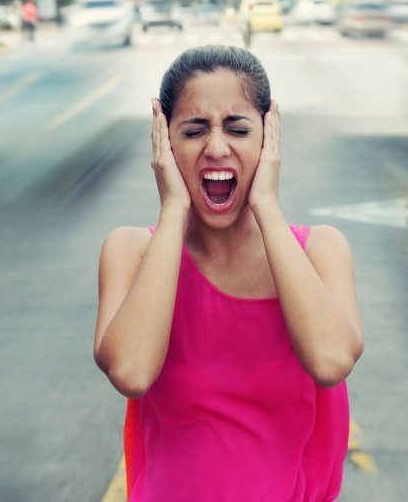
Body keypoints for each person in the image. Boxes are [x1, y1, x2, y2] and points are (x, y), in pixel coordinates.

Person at [93, 45, 363, 501]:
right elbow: (133, 372)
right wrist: (174, 207)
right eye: (194, 130)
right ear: (163, 138)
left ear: (268, 135)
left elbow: (331, 361)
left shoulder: (320, 249)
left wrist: (267, 208)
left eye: (237, 128)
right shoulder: (132, 251)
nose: (216, 148)